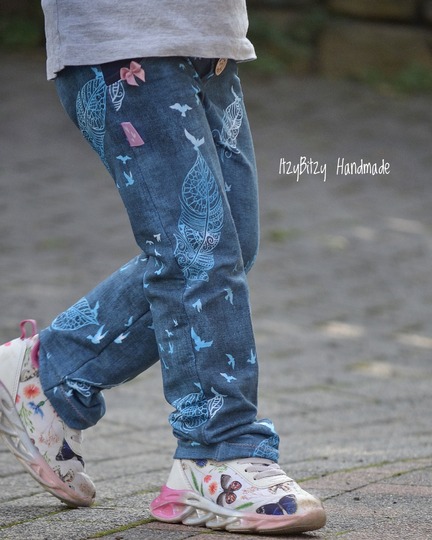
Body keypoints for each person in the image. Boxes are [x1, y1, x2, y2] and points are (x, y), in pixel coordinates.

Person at [0, 1, 326, 534]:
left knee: (228, 245)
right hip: (124, 38)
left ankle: (49, 370)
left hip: (208, 38)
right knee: (196, 249)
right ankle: (215, 453)